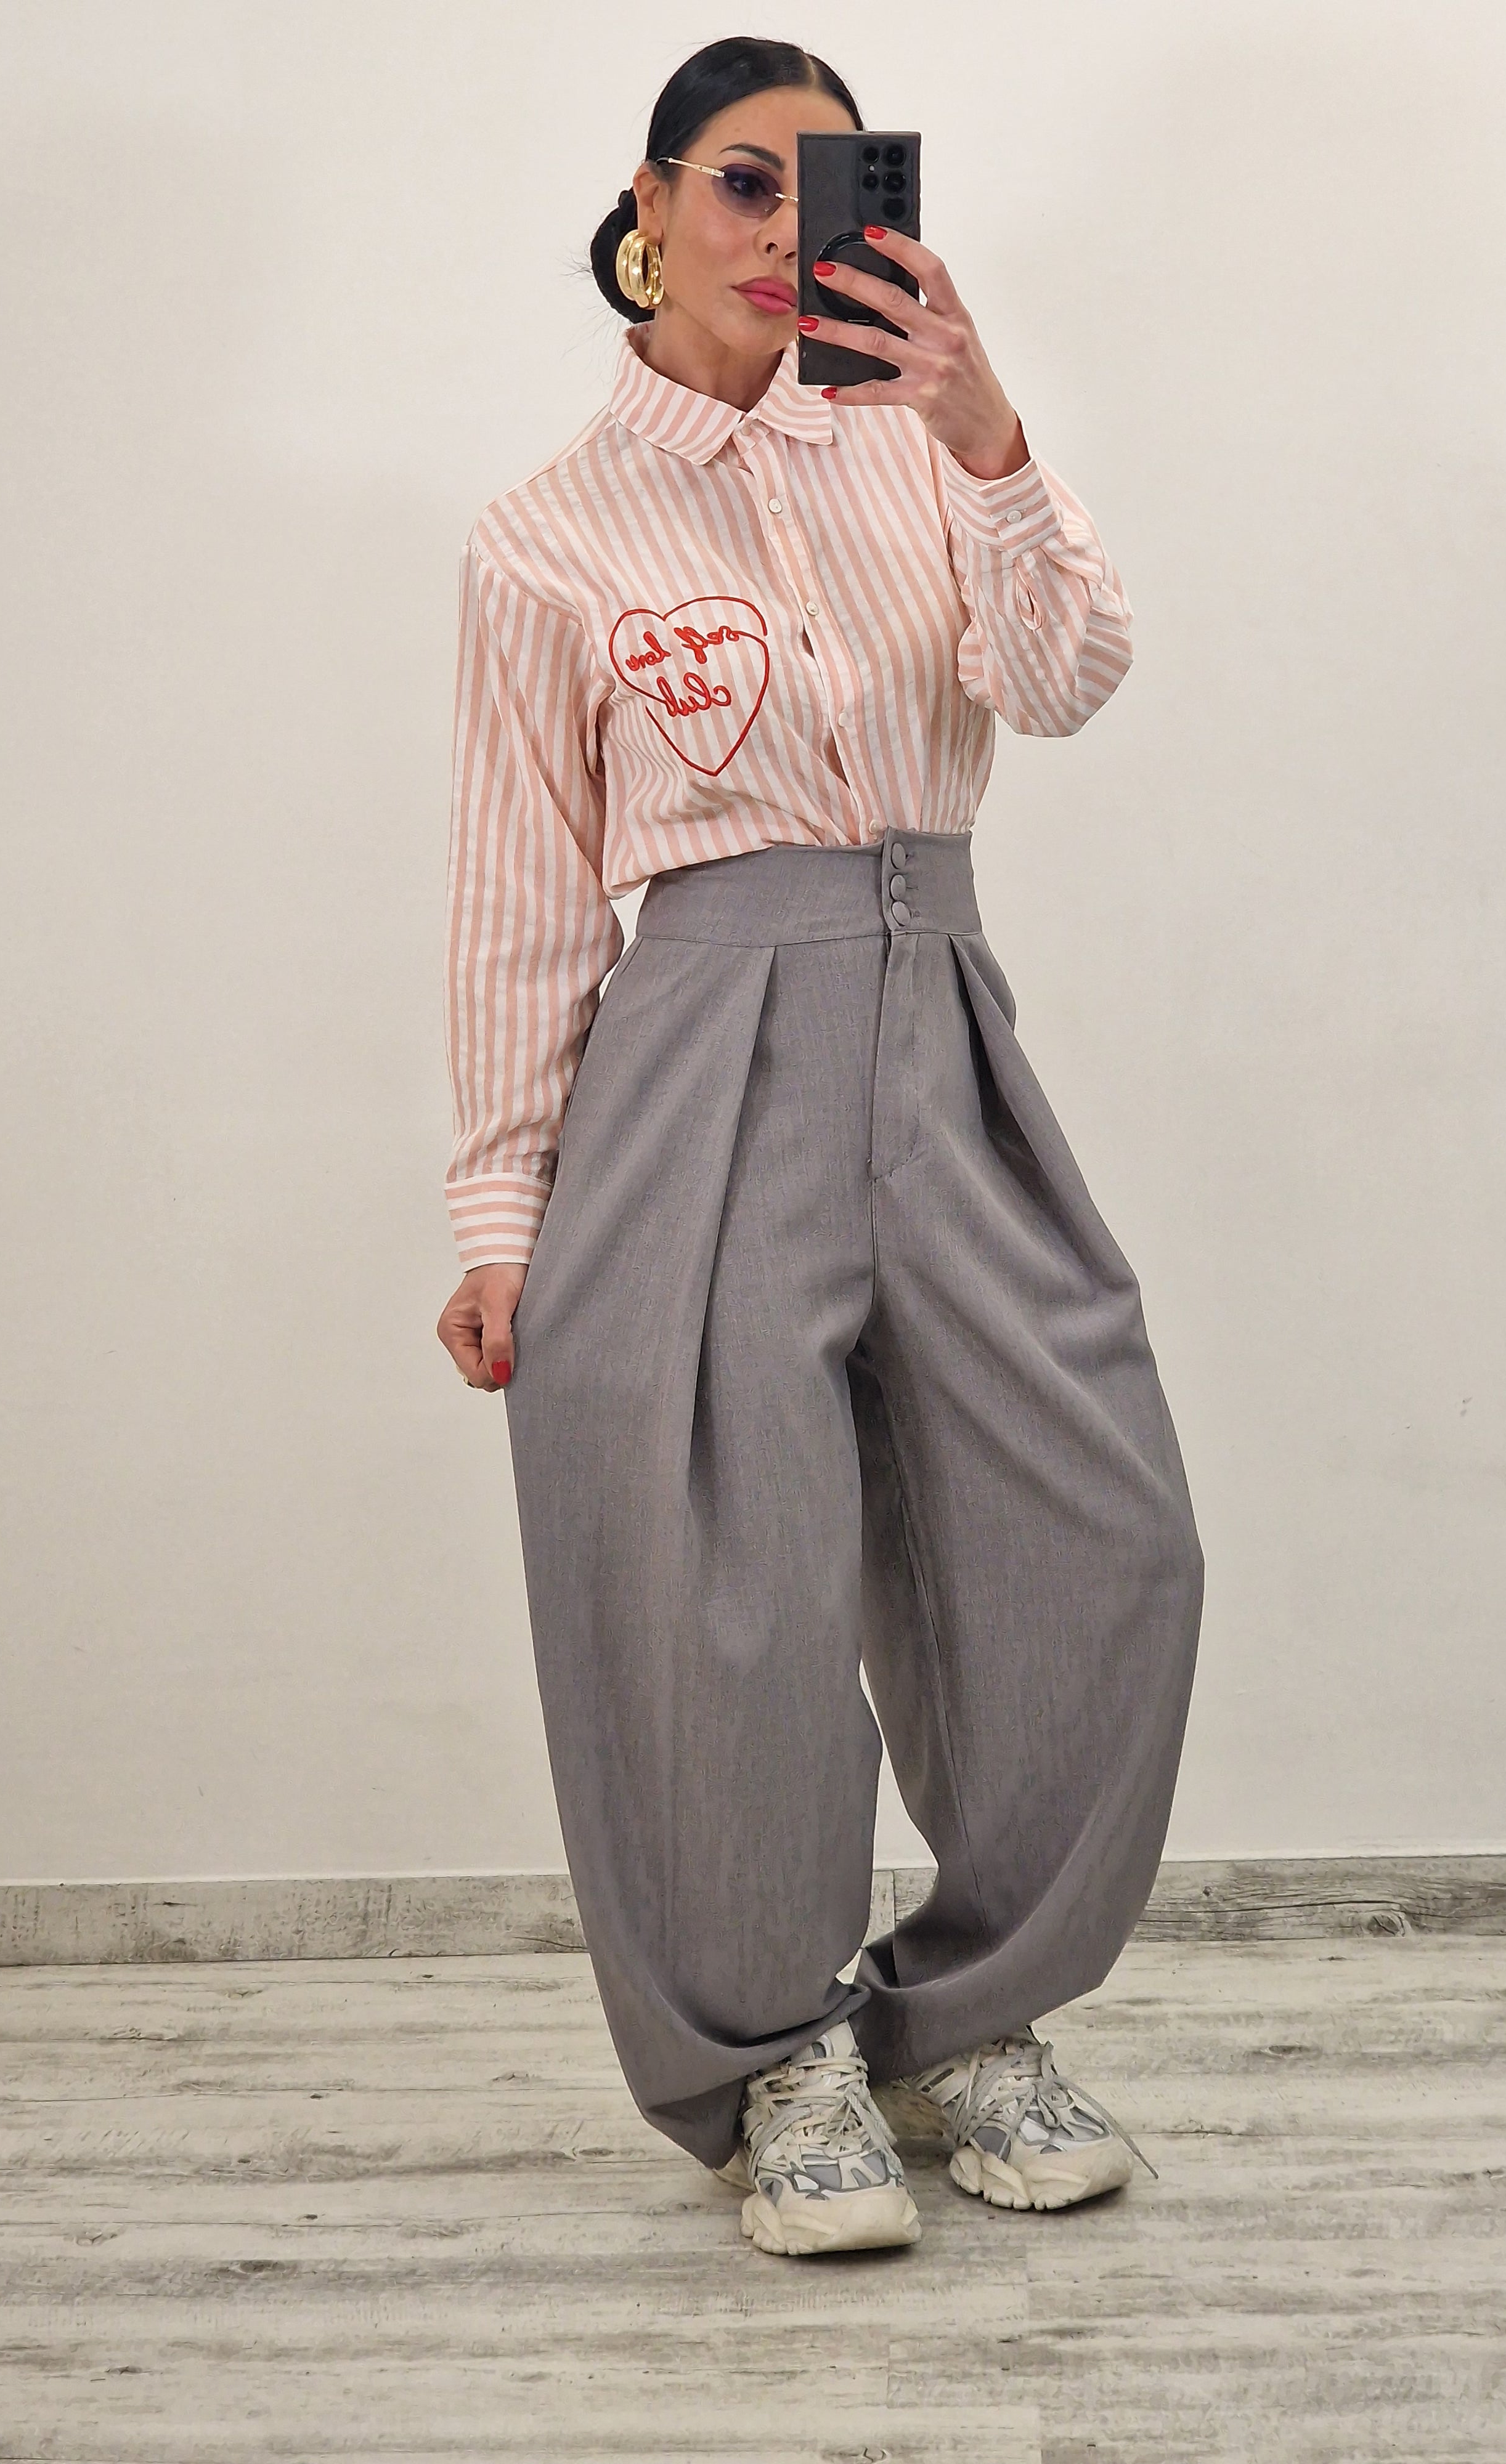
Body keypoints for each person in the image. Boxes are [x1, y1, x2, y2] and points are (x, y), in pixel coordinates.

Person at [435, 36, 1204, 2260]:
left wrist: (986, 435)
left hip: (941, 1015)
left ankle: (966, 2020)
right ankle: (777, 2059)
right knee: (725, 1595)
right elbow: (520, 894)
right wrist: (499, 1208)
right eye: (745, 187)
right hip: (694, 1055)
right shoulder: (546, 534)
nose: (787, 233)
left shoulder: (917, 457)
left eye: (831, 187)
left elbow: (1065, 678)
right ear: (651, 205)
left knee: (1097, 1532)